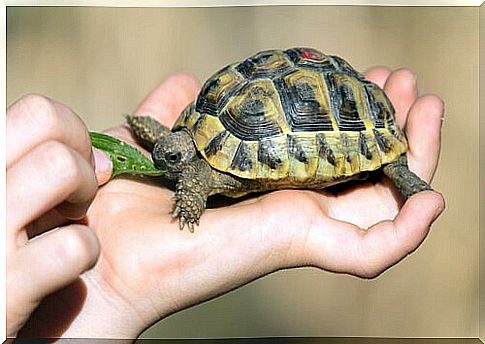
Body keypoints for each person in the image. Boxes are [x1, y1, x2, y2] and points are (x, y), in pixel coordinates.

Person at [7, 67, 445, 339]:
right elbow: (175, 149)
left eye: (173, 154)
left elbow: (193, 169)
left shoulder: (197, 166)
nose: (166, 161)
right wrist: (111, 294)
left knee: (389, 166)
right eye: (168, 150)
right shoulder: (184, 145)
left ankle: (396, 169)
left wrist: (188, 196)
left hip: (328, 121)